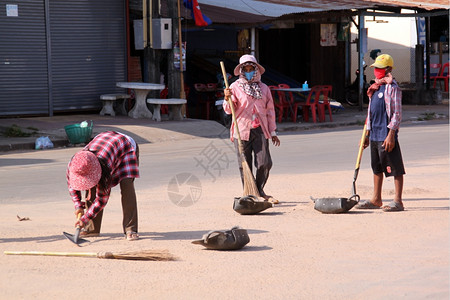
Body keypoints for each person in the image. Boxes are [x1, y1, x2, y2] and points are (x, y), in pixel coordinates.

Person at [223, 54, 281, 203]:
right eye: (245, 69)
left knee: (265, 162)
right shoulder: (234, 87)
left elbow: (270, 111)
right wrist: (227, 98)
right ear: (241, 70)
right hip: (241, 129)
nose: (248, 71)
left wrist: (273, 132)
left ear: (256, 70)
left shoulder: (264, 88)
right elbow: (229, 110)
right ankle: (248, 192)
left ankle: (259, 190)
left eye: (251, 68)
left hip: (260, 129)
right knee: (245, 164)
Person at [67, 131, 140, 240]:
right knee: (90, 187)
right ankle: (92, 229)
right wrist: (78, 206)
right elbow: (72, 186)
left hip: (125, 146)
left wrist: (84, 218)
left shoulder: (105, 164)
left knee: (126, 187)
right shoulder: (75, 164)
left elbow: (102, 199)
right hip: (104, 142)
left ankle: (130, 229)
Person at [356, 54, 405, 212]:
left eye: (380, 68)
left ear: (389, 69)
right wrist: (366, 135)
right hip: (374, 134)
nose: (377, 71)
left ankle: (398, 201)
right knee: (376, 167)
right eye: (376, 68)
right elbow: (370, 114)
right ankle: (376, 199)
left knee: (395, 168)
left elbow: (397, 114)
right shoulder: (375, 87)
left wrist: (391, 134)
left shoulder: (393, 88)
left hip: (386, 135)